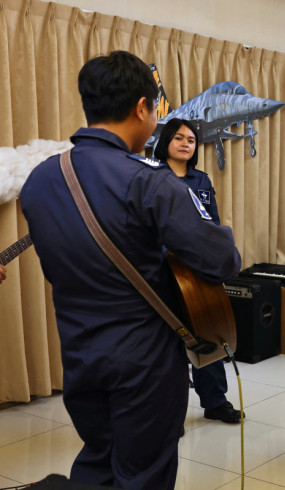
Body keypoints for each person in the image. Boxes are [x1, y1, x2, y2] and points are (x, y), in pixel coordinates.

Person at [20, 51, 241, 490]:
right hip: (144, 361)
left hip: (80, 352)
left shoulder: (40, 181)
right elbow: (221, 261)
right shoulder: (148, 180)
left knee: (98, 461)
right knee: (144, 473)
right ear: (143, 107)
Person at [153, 117, 242, 425]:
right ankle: (170, 414)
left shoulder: (201, 180)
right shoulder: (151, 177)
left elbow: (212, 225)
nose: (186, 144)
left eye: (191, 140)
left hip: (199, 269)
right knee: (168, 344)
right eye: (179, 138)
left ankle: (215, 402)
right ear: (166, 141)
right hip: (162, 270)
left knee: (207, 334)